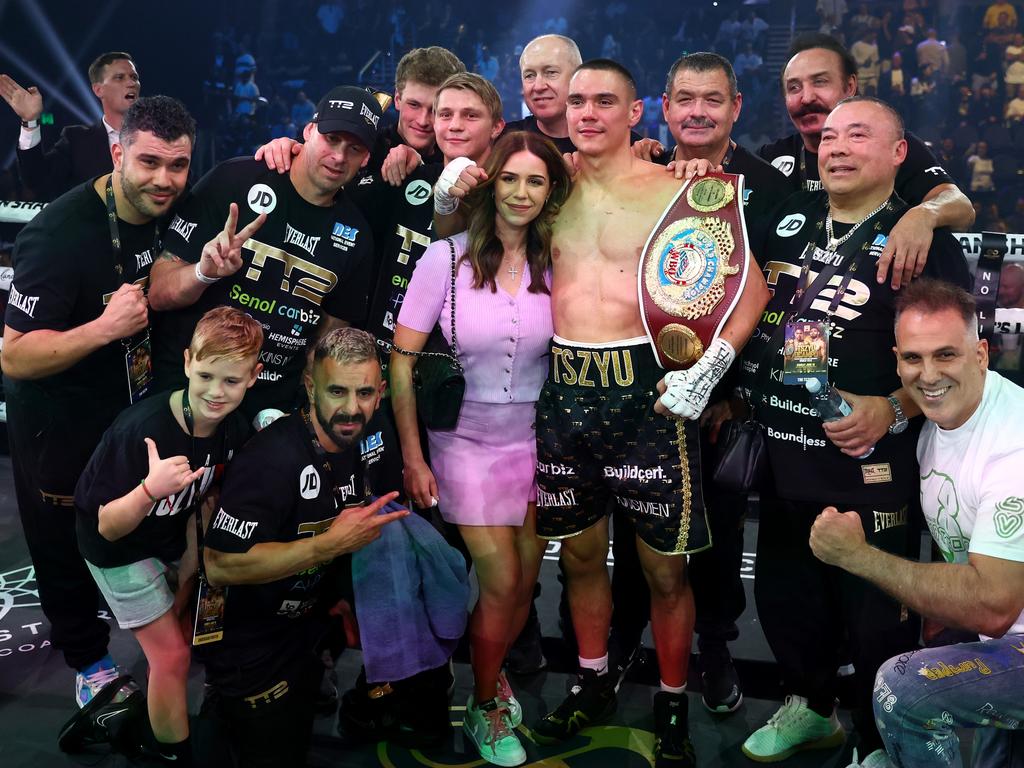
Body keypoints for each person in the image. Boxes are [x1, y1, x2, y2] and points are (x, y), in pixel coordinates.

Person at [527, 59, 769, 768]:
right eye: (577, 101)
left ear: (638, 113)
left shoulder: (678, 189)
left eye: (605, 100)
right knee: (576, 558)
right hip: (565, 381)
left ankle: (670, 699)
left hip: (649, 389)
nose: (587, 112)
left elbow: (749, 292)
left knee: (666, 570)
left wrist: (709, 372)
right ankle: (594, 678)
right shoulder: (545, 186)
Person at [738, 97, 972, 766]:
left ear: (899, 154)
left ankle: (879, 737)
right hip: (785, 460)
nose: (836, 147)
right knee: (786, 594)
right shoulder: (785, 220)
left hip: (874, 469)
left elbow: (956, 366)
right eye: (829, 136)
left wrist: (893, 408)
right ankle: (810, 708)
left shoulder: (922, 239)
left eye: (858, 135)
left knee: (875, 612)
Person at [1, 95, 195, 710]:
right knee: (64, 542)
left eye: (178, 165)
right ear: (117, 152)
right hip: (57, 422)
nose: (164, 179)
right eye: (149, 163)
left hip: (131, 408)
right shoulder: (59, 232)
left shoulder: (177, 211)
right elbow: (13, 354)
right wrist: (102, 330)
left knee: (139, 523)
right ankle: (88, 663)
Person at [390, 130, 571, 766]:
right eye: (511, 178)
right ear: (490, 183)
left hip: (533, 441)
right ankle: (484, 704)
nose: (521, 193)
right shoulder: (445, 258)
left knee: (523, 583)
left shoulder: (559, 262)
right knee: (498, 580)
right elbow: (403, 362)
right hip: (462, 441)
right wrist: (413, 457)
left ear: (551, 192)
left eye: (536, 181)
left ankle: (493, 679)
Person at [628, 51, 792, 715]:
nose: (698, 111)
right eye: (686, 99)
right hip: (636, 396)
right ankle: (617, 646)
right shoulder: (634, 174)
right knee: (632, 533)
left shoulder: (768, 187)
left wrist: (731, 389)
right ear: (665, 108)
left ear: (736, 108)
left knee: (718, 539)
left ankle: (716, 649)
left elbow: (773, 299)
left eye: (713, 100)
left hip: (719, 402)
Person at [810, 278, 1024, 768]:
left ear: (981, 353)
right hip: (1000, 637)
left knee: (901, 688)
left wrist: (857, 556)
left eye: (946, 355)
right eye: (913, 358)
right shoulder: (938, 417)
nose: (928, 375)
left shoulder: (1014, 445)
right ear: (897, 358)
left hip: (1008, 632)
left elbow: (992, 606)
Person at [195, 327, 408, 767]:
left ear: (382, 391)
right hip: (251, 640)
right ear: (311, 386)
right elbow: (219, 566)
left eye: (365, 392)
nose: (352, 408)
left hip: (310, 620)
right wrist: (327, 546)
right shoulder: (272, 459)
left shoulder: (375, 436)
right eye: (337, 391)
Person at [75, 307, 262, 765]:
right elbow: (107, 526)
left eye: (231, 381)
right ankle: (171, 754)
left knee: (180, 633)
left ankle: (129, 716)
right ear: (185, 363)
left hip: (167, 540)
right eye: (205, 376)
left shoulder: (232, 428)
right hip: (117, 549)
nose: (216, 393)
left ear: (254, 377)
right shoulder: (140, 430)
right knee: (173, 658)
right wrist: (148, 490)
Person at [148, 85, 382, 421]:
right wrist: (204, 272)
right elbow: (157, 293)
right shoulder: (235, 180)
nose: (339, 156)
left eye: (354, 148)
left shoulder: (357, 236)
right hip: (185, 392)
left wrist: (308, 404)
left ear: (365, 159)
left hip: (269, 410)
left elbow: (329, 337)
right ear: (308, 131)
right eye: (331, 139)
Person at [757, 33, 975, 290]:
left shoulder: (886, 147)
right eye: (794, 87)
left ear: (850, 87)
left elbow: (961, 207)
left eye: (820, 82)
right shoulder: (772, 158)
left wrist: (924, 215)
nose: (806, 98)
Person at [0, 52, 141, 201]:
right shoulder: (76, 140)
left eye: (134, 77)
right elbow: (37, 180)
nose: (131, 83)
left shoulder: (160, 135)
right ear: (98, 89)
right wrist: (30, 121)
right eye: (119, 77)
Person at [504, 34, 583, 153]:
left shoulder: (607, 139)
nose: (538, 86)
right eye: (529, 75)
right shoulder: (503, 141)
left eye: (551, 72)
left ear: (577, 77)